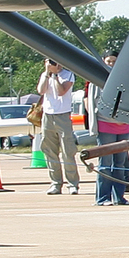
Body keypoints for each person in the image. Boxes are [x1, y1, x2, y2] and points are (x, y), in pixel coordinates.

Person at [90, 52, 129, 204]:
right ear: (103, 62)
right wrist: (115, 118)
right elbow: (97, 103)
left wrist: (125, 119)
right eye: (109, 61)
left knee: (120, 164)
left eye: (114, 61)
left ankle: (119, 197)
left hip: (124, 128)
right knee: (105, 164)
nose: (112, 65)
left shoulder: (126, 78)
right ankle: (102, 197)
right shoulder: (97, 79)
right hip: (105, 126)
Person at [36, 56, 80, 194]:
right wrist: (47, 73)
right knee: (50, 151)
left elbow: (61, 91)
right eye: (52, 62)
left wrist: (55, 75)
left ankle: (72, 183)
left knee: (68, 151)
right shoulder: (45, 75)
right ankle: (55, 182)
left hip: (63, 115)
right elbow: (41, 90)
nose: (56, 64)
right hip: (47, 115)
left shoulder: (68, 75)